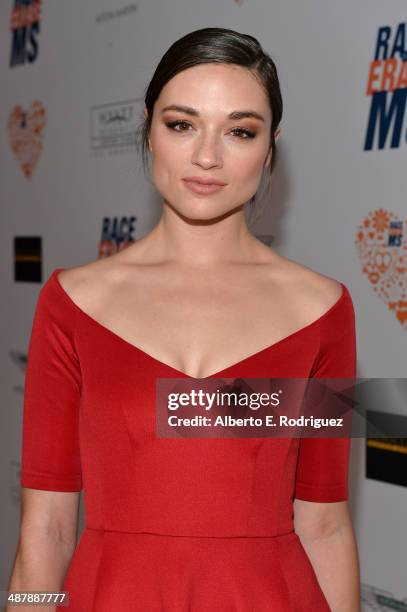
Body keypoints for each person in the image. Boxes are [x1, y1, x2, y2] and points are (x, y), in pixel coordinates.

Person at [8, 27, 360, 611]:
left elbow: (325, 525)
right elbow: (46, 528)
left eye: (240, 131)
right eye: (182, 124)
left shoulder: (322, 310)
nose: (207, 156)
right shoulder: (71, 302)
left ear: (271, 147)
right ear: (148, 128)